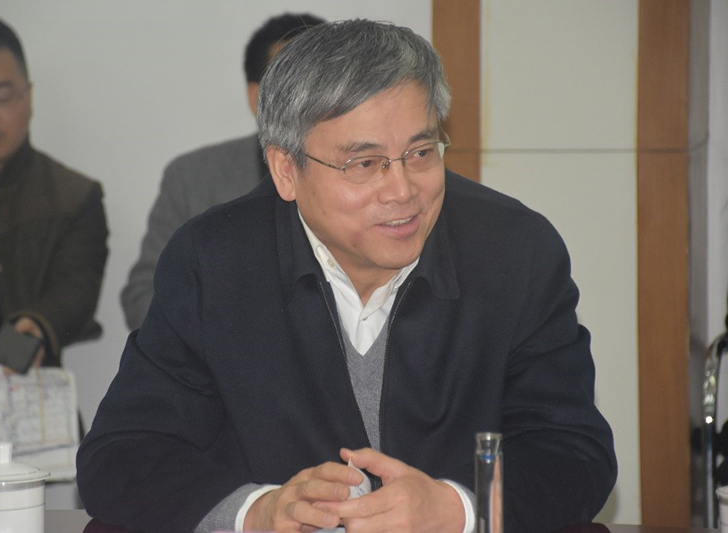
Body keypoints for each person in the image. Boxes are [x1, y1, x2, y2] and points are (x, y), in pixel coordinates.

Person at [78, 19, 617, 533]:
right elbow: (121, 455)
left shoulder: (514, 252)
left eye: (420, 152)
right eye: (364, 163)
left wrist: (457, 508)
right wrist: (260, 511)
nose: (402, 190)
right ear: (286, 170)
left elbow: (574, 452)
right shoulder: (213, 262)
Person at [120, 12, 325, 330]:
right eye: (294, 87)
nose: (314, 101)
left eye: (326, 84)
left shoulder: (375, 176)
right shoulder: (192, 179)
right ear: (257, 98)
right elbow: (143, 298)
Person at [0, 15, 108, 370]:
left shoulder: (74, 196)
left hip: (19, 373)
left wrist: (36, 327)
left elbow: (75, 291)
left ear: (28, 96)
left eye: (1, 97)